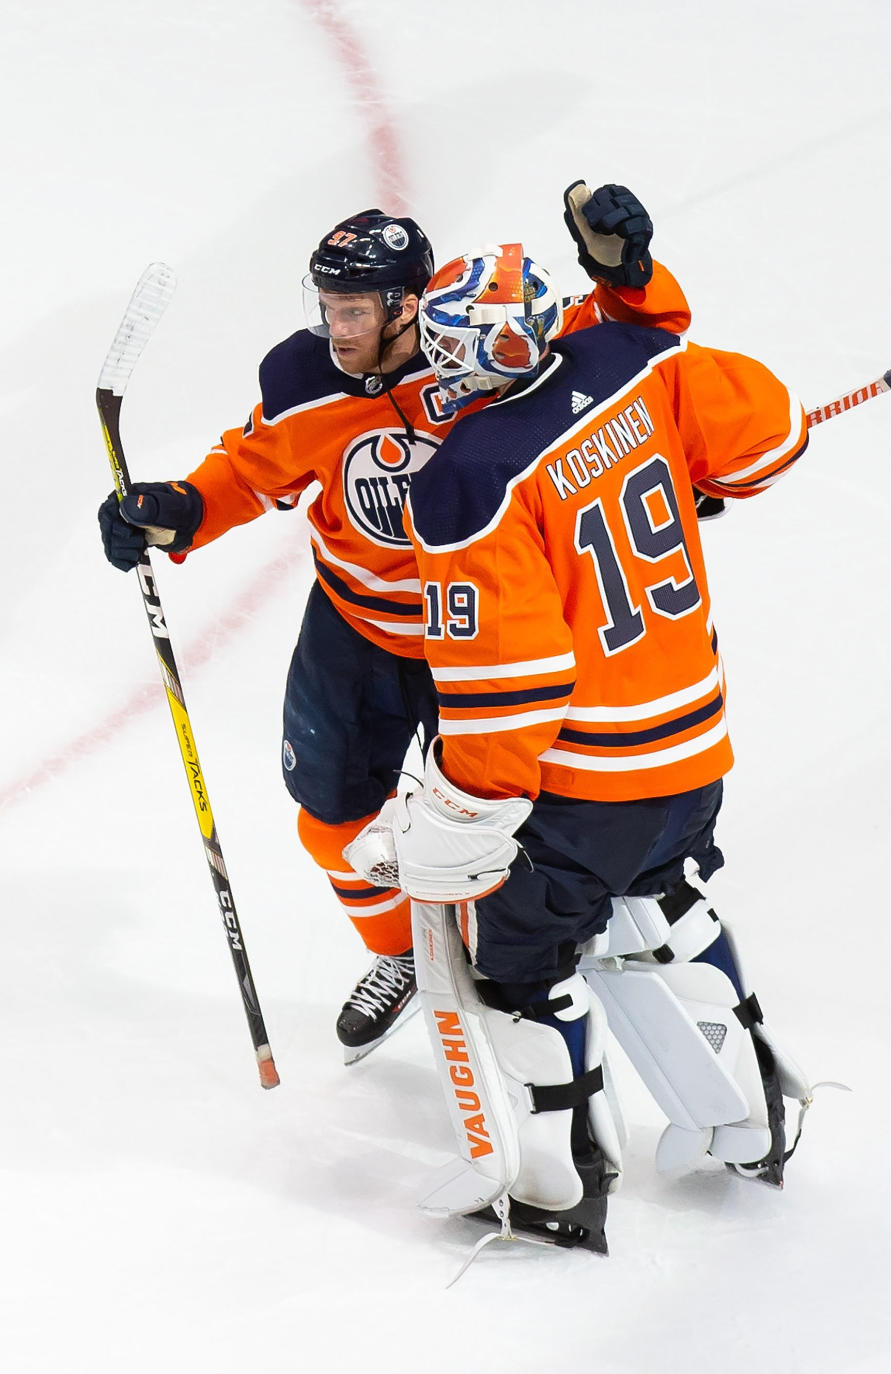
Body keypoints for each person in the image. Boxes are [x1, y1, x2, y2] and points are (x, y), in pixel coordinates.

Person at [97, 184, 695, 1062]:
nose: (335, 328)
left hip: (487, 639)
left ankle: (532, 965)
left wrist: (632, 277)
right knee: (331, 817)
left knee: (523, 827)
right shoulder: (303, 378)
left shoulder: (480, 339)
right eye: (327, 306)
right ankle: (400, 956)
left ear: (409, 302)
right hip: (356, 634)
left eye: (352, 309)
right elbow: (257, 464)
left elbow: (632, 351)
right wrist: (184, 507)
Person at [347, 240, 812, 1252]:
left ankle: (557, 1189)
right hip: (691, 751)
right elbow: (769, 439)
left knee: (516, 967)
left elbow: (511, 678)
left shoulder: (468, 477)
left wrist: (464, 808)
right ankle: (752, 1121)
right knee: (669, 904)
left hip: (583, 786)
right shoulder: (630, 362)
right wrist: (640, 291)